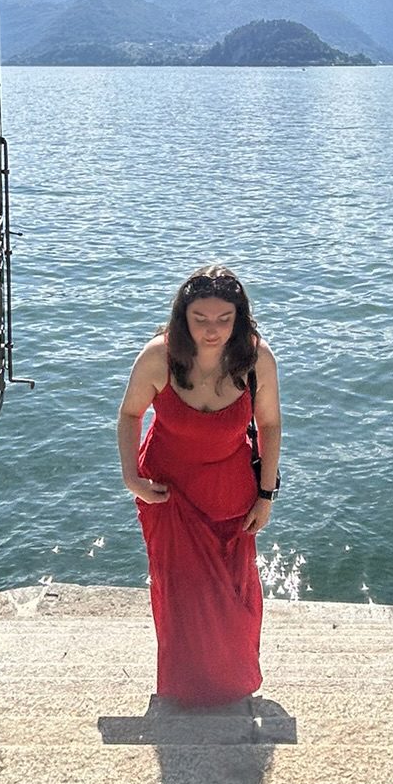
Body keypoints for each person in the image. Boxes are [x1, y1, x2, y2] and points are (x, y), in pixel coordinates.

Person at [118, 266, 281, 706]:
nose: (212, 330)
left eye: (224, 319)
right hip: (168, 493)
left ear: (240, 317)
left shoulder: (255, 358)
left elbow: (269, 424)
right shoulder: (160, 357)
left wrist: (266, 495)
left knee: (234, 592)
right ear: (182, 317)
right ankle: (185, 687)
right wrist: (131, 476)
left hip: (231, 490)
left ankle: (232, 682)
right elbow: (130, 414)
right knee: (179, 592)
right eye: (201, 319)